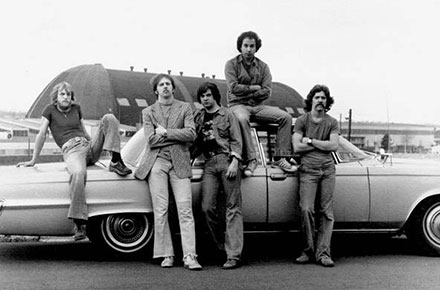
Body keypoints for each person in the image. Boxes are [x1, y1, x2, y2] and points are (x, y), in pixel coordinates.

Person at [17, 81, 132, 241]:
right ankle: (79, 222)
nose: (66, 97)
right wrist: (33, 160)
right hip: (72, 150)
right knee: (78, 173)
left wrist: (95, 144)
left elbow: (84, 131)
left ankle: (115, 161)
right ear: (56, 97)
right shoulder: (49, 110)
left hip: (87, 145)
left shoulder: (77, 108)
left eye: (68, 94)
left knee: (109, 117)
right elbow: (41, 134)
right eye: (62, 94)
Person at [134, 74, 202, 270]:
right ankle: (167, 254)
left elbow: (191, 134)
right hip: (157, 163)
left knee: (185, 209)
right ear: (156, 90)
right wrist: (177, 136)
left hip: (179, 162)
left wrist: (165, 133)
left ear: (173, 88)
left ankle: (190, 256)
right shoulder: (148, 111)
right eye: (161, 85)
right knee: (161, 209)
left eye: (168, 84)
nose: (165, 87)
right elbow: (151, 140)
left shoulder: (185, 108)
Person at [225, 31, 296, 176]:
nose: (249, 49)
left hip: (257, 106)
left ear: (256, 48)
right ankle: (252, 159)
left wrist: (248, 92)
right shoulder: (231, 64)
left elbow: (267, 91)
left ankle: (281, 157)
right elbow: (233, 87)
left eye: (252, 46)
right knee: (241, 119)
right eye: (246, 46)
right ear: (240, 47)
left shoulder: (263, 67)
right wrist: (254, 88)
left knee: (286, 117)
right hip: (237, 105)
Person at [191, 82, 244, 269]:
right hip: (209, 164)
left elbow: (237, 140)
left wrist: (235, 162)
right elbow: (195, 142)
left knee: (233, 207)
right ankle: (221, 247)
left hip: (227, 160)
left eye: (208, 95)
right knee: (206, 207)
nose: (205, 98)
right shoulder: (199, 116)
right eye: (202, 96)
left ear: (215, 96)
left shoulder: (227, 114)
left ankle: (233, 255)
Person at [292, 84, 339, 267]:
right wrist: (323, 143)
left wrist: (310, 140)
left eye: (324, 98)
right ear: (311, 100)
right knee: (306, 209)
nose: (320, 101)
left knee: (326, 212)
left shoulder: (332, 122)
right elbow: (297, 147)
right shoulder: (302, 121)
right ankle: (308, 250)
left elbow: (334, 146)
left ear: (327, 102)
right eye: (317, 97)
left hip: (327, 169)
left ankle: (324, 253)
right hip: (308, 170)